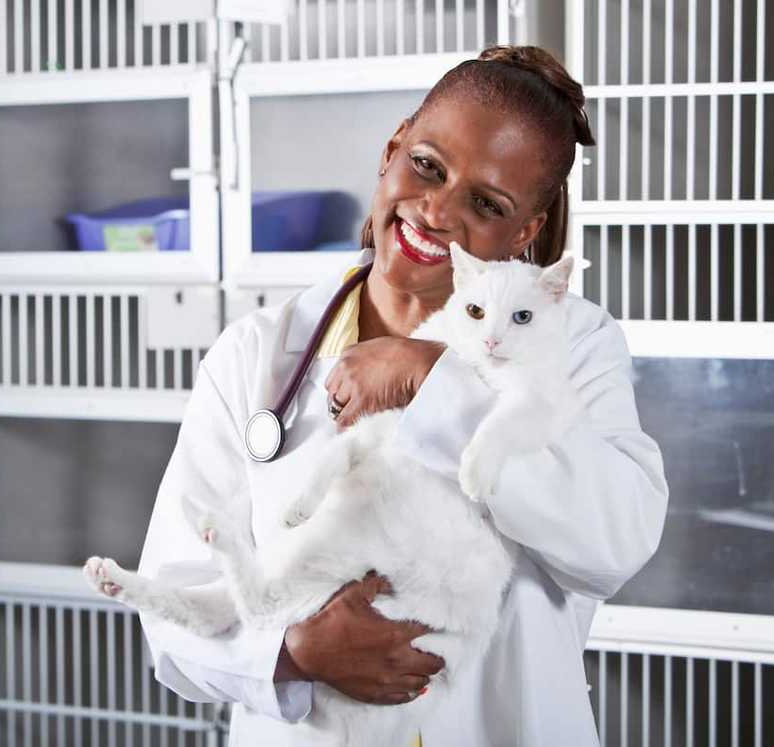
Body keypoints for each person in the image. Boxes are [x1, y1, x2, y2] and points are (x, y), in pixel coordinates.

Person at [137, 45, 669, 746]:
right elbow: (170, 613)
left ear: (527, 231)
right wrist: (295, 655)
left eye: (486, 202)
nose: (437, 211)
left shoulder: (575, 347)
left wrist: (434, 384)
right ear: (392, 149)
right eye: (426, 165)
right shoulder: (256, 357)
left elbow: (618, 539)